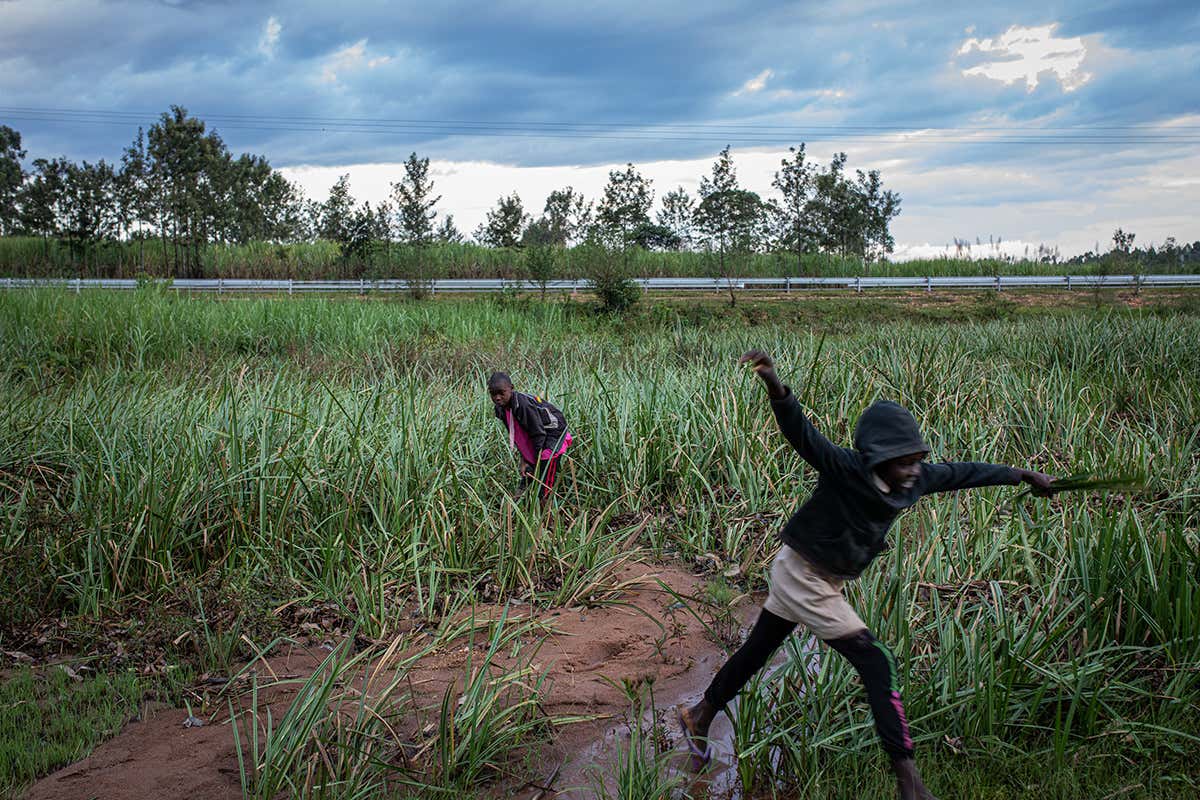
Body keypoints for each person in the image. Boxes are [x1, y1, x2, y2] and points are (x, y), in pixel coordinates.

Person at [677, 350, 1055, 800]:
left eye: (916, 460)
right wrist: (775, 384)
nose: (911, 471)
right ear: (877, 458)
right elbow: (802, 434)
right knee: (877, 661)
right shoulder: (846, 469)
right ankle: (910, 784)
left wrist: (1021, 475)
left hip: (821, 576)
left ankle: (699, 715)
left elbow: (964, 473)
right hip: (803, 574)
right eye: (902, 462)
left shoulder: (916, 478)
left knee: (758, 651)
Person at [488, 371, 572, 501]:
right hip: (537, 437)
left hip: (553, 435)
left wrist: (536, 464)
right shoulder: (500, 409)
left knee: (544, 483)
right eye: (493, 394)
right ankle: (521, 500)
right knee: (529, 473)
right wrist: (524, 460)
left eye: (501, 393)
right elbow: (518, 436)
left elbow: (538, 434)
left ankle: (547, 507)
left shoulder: (523, 405)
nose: (497, 398)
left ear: (511, 388)